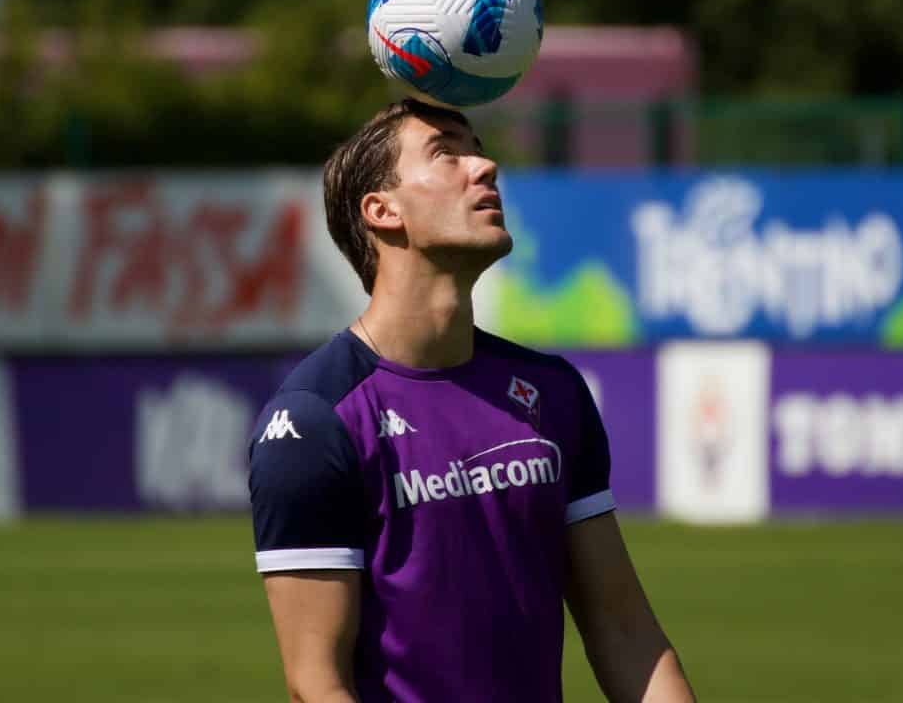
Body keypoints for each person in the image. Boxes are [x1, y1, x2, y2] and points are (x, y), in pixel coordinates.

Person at [248, 97, 695, 702]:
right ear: (382, 210)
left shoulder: (553, 393)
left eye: (478, 151)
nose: (483, 168)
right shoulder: (312, 422)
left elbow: (626, 634)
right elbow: (315, 685)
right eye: (447, 154)